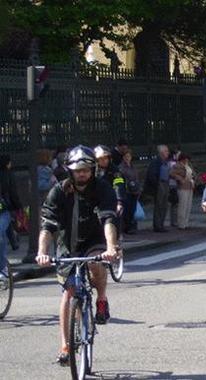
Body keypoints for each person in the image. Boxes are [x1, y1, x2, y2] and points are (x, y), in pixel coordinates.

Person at [35, 145, 121, 364]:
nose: (82, 173)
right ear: (70, 170)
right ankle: (65, 345)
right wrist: (42, 253)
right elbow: (47, 226)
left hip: (95, 240)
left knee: (96, 265)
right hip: (68, 244)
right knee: (68, 293)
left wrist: (110, 248)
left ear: (93, 169)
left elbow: (109, 220)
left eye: (86, 169)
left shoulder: (102, 189)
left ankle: (101, 299)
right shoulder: (59, 191)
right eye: (77, 170)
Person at [0, 155, 21, 280]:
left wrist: (17, 207)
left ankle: (2, 269)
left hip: (3, 210)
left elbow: (12, 192)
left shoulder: (7, 175)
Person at [94, 145, 127, 219]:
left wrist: (119, 202)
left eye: (105, 158)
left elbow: (119, 186)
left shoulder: (115, 171)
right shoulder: (92, 171)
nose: (104, 160)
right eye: (100, 159)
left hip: (111, 202)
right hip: (96, 203)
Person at [145, 145, 172, 232]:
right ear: (161, 152)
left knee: (164, 205)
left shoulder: (165, 161)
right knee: (159, 205)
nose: (168, 153)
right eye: (166, 151)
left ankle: (161, 224)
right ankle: (158, 225)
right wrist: (156, 185)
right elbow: (151, 175)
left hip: (165, 183)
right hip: (159, 184)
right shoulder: (156, 162)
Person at [118, 149, 141, 234]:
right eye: (126, 156)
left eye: (129, 156)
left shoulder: (133, 167)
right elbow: (121, 179)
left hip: (134, 191)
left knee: (132, 209)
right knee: (127, 210)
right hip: (127, 191)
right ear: (123, 157)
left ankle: (131, 226)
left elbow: (137, 177)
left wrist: (138, 188)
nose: (128, 158)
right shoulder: (121, 167)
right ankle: (127, 228)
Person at [170, 153, 194, 230]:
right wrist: (180, 179)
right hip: (182, 187)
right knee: (182, 206)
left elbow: (192, 173)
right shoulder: (177, 165)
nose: (186, 160)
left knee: (188, 206)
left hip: (190, 186)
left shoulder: (188, 165)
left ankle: (186, 223)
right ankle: (181, 224)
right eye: (185, 159)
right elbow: (172, 174)